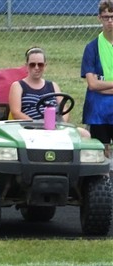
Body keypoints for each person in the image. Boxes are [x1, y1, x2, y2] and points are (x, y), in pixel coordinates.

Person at [81, 1, 113, 157]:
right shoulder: (92, 48)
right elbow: (92, 84)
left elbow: (97, 84)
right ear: (99, 18)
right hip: (98, 110)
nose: (110, 21)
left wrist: (103, 86)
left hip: (102, 98)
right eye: (106, 17)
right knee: (100, 152)